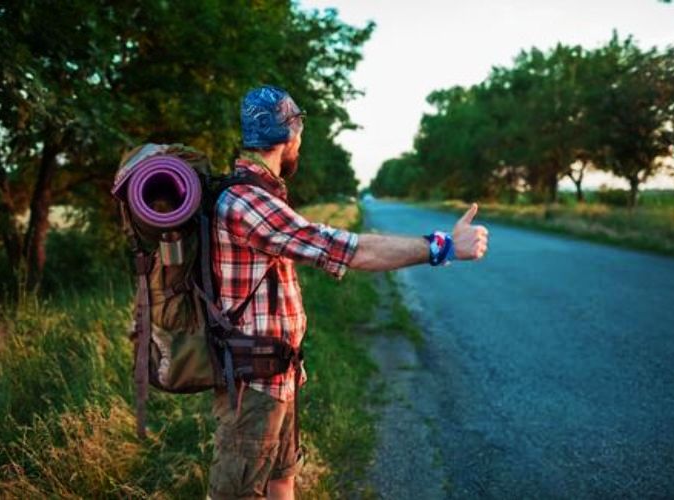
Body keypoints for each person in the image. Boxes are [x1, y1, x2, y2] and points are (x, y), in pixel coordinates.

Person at [208, 85, 488, 500]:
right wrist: (442, 246)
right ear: (289, 134)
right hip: (254, 385)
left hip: (278, 375)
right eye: (299, 130)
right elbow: (349, 250)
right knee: (234, 495)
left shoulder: (260, 196)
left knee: (282, 480)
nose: (300, 140)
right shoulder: (246, 202)